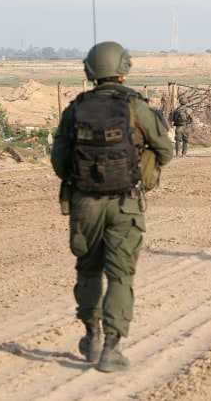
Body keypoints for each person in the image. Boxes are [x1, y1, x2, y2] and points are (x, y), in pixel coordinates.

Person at [51, 41, 173, 372]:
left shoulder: (75, 108)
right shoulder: (136, 107)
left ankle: (90, 337)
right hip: (126, 203)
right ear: (124, 69)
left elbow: (60, 163)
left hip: (84, 203)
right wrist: (143, 165)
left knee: (88, 270)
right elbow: (165, 150)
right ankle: (111, 349)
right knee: (120, 277)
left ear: (90, 70)